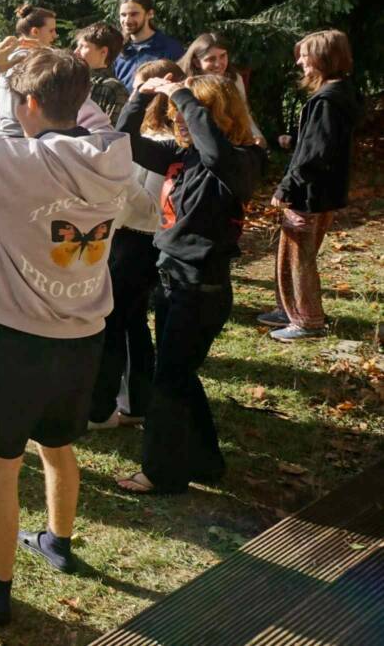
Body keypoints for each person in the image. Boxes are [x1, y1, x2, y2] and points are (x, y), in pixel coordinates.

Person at [0, 41, 133, 626]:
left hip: (21, 340)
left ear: (27, 104)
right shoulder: (113, 152)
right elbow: (78, 120)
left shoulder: (12, 168)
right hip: (83, 336)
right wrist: (64, 75)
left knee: (3, 464)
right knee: (59, 445)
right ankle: (58, 541)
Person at [113, 73, 264, 495]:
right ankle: (207, 462)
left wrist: (180, 91)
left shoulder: (242, 159)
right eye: (176, 113)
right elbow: (122, 144)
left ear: (217, 114)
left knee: (169, 382)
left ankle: (162, 472)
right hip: (172, 283)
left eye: (189, 112)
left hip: (201, 290)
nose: (180, 119)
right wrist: (140, 98)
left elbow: (217, 153)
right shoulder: (183, 157)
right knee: (179, 375)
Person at [87, 60, 181, 430]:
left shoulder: (156, 143)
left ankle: (102, 407)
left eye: (140, 86)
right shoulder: (172, 141)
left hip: (133, 239)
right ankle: (138, 402)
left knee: (113, 325)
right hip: (147, 241)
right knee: (134, 324)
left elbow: (130, 190)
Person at [262, 30, 362, 342]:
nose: (300, 62)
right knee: (291, 253)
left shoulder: (327, 100)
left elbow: (317, 154)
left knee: (298, 257)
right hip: (323, 192)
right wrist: (295, 140)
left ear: (323, 58)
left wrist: (287, 187)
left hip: (310, 194)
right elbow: (322, 142)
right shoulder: (342, 93)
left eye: (306, 56)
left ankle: (308, 321)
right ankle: (288, 310)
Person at [179, 32, 267, 147]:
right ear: (196, 63)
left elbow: (243, 112)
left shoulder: (235, 79)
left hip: (231, 140)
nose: (218, 64)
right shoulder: (185, 83)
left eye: (223, 56)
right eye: (211, 59)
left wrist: (256, 138)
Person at [113, 0, 185, 90]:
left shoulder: (170, 48)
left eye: (134, 14)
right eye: (123, 15)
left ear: (150, 14)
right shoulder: (117, 50)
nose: (127, 20)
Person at [74, 21, 130, 121]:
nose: (76, 51)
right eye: (78, 46)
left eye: (83, 46)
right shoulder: (72, 81)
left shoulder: (114, 90)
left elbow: (113, 133)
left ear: (103, 51)